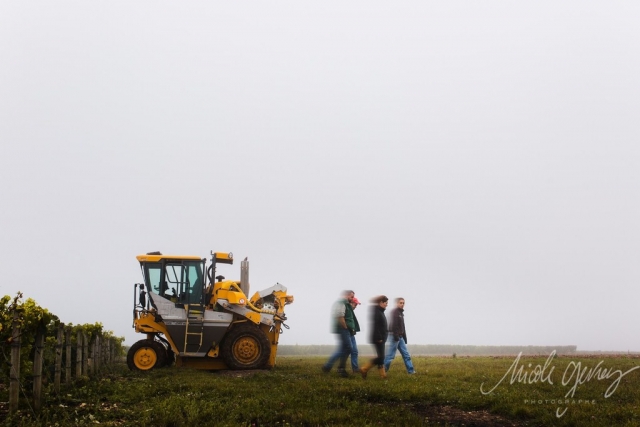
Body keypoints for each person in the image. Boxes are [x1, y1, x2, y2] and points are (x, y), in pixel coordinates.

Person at [322, 290, 355, 377]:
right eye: (351, 297)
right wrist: (345, 327)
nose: (353, 298)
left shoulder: (345, 303)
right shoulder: (341, 303)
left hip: (345, 329)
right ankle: (328, 366)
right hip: (343, 329)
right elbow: (340, 316)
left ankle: (339, 368)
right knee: (348, 348)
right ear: (346, 295)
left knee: (343, 349)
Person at [384, 297, 416, 374]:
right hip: (394, 337)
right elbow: (393, 325)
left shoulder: (400, 313)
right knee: (390, 356)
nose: (402, 304)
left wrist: (404, 337)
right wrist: (396, 336)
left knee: (406, 355)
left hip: (400, 337)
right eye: (400, 303)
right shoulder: (394, 312)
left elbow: (402, 326)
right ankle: (383, 371)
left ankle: (411, 371)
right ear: (396, 303)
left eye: (403, 303)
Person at [360, 295, 388, 379]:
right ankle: (364, 368)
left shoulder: (380, 311)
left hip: (381, 337)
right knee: (381, 357)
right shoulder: (377, 311)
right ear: (381, 303)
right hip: (378, 338)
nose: (387, 305)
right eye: (386, 303)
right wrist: (379, 337)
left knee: (381, 356)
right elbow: (376, 326)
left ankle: (383, 375)